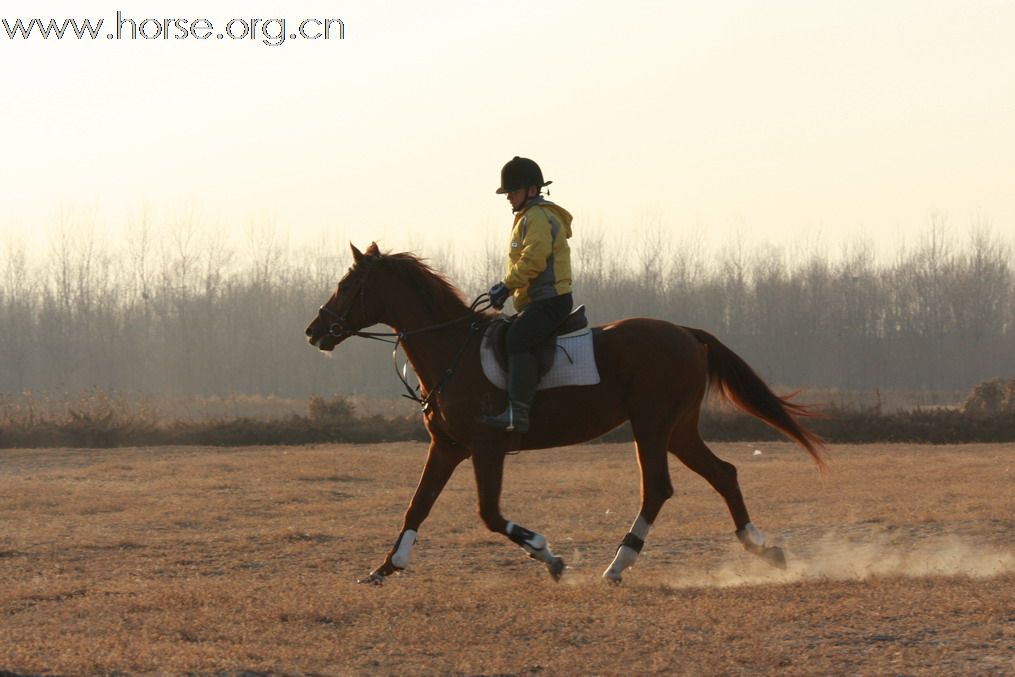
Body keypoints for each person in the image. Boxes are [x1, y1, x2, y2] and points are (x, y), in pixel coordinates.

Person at [480, 156, 574, 434]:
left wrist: (506, 286)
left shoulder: (536, 217)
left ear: (532, 190)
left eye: (513, 191)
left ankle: (517, 413)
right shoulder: (527, 217)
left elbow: (534, 259)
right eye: (507, 192)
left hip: (550, 301)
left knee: (517, 338)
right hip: (537, 301)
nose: (508, 197)